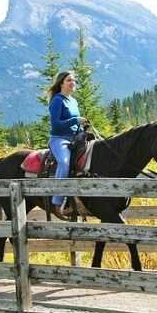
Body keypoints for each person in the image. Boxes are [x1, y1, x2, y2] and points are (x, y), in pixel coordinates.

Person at [47, 71, 88, 219]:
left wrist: (82, 129)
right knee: (64, 163)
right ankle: (57, 203)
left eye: (74, 80)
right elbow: (56, 125)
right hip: (59, 139)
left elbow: (75, 125)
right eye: (69, 80)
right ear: (61, 84)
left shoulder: (73, 101)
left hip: (75, 139)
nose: (73, 83)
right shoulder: (57, 100)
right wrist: (75, 120)